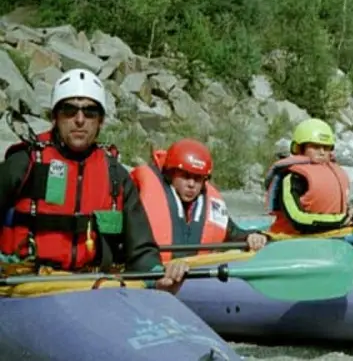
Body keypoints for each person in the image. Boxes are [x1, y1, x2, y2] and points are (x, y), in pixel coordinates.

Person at [0, 69, 187, 292]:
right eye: (70, 110)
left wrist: (157, 275)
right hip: (27, 284)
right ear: (55, 117)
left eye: (90, 112)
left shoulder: (116, 176)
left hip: (92, 287)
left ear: (101, 121)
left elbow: (140, 250)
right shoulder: (25, 163)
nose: (80, 120)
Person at [130, 138, 268, 262]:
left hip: (193, 275)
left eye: (197, 179)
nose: (191, 184)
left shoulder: (211, 205)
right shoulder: (140, 196)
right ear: (171, 174)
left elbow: (234, 233)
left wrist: (251, 237)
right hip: (154, 273)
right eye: (185, 176)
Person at [264, 118, 353, 234]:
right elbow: (297, 219)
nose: (321, 152)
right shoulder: (292, 177)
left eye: (326, 148)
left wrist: (351, 216)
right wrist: (340, 221)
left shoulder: (337, 172)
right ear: (300, 148)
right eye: (315, 147)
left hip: (330, 235)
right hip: (290, 239)